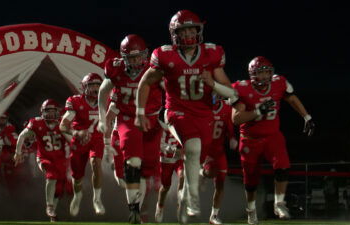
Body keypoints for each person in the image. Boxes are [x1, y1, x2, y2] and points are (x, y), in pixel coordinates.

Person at [135, 9, 237, 223]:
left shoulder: (212, 54)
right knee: (193, 147)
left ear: (199, 30)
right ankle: (192, 199)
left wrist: (212, 84)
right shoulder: (164, 55)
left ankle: (185, 195)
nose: (189, 34)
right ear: (175, 34)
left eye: (192, 29)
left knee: (195, 158)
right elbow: (145, 82)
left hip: (204, 116)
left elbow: (231, 93)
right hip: (177, 111)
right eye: (184, 30)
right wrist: (140, 111)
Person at [231, 56, 315, 224]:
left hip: (272, 136)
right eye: (260, 73)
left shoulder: (279, 83)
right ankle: (251, 209)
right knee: (251, 180)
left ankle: (279, 203)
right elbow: (236, 119)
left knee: (283, 166)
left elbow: (291, 98)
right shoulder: (242, 89)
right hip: (250, 139)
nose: (265, 76)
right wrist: (258, 111)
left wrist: (306, 116)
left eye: (267, 72)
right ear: (253, 75)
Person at [97, 34, 163, 223]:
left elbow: (172, 92)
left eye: (138, 56)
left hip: (151, 122)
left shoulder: (154, 70)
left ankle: (137, 209)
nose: (135, 61)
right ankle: (134, 209)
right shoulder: (116, 70)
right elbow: (103, 94)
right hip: (128, 120)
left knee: (145, 172)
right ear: (123, 57)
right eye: (131, 57)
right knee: (132, 165)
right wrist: (103, 120)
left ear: (145, 55)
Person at [59, 72, 105, 216]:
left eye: (98, 85)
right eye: (92, 85)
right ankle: (77, 196)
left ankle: (97, 199)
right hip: (79, 141)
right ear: (84, 87)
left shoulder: (105, 101)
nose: (96, 89)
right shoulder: (76, 101)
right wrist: (76, 133)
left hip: (96, 139)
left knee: (97, 164)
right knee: (77, 177)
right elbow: (63, 125)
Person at [14, 99, 67, 222]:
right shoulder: (37, 123)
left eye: (53, 111)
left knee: (59, 188)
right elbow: (22, 136)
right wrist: (18, 152)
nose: (50, 114)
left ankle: (52, 213)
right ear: (42, 112)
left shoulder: (63, 122)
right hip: (44, 157)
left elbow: (71, 137)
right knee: (51, 175)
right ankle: (49, 206)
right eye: (47, 111)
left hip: (60, 159)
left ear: (57, 112)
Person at [200, 96, 238, 224]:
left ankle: (214, 216)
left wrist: (232, 137)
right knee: (211, 173)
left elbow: (229, 125)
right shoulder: (201, 107)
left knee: (220, 183)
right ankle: (202, 174)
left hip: (219, 150)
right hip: (205, 149)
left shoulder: (226, 107)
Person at [155, 122, 184, 223]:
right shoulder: (162, 124)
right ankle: (160, 206)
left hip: (179, 158)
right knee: (166, 186)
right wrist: (171, 149)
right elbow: (159, 144)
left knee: (182, 176)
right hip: (166, 159)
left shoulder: (182, 121)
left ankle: (180, 205)